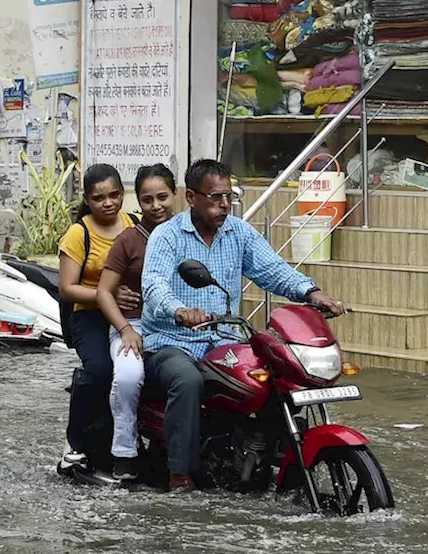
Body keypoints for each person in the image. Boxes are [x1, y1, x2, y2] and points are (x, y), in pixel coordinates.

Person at [141, 159, 347, 493]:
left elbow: (273, 270)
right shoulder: (167, 236)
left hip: (224, 339)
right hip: (171, 340)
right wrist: (179, 310)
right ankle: (180, 474)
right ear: (191, 197)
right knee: (187, 380)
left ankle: (268, 459)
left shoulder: (239, 232)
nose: (224, 205)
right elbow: (153, 285)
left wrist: (313, 293)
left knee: (275, 379)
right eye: (214, 197)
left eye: (228, 197)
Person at [92, 163, 178, 481]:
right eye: (147, 200)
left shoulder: (189, 233)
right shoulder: (129, 240)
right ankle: (124, 453)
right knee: (127, 376)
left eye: (162, 197)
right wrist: (125, 329)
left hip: (180, 328)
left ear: (176, 194)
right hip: (135, 326)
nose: (156, 206)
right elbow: (103, 292)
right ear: (137, 202)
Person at [56, 164, 137, 474]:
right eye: (99, 197)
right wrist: (108, 295)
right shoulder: (79, 234)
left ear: (123, 194)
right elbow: (67, 289)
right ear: (88, 200)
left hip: (129, 315)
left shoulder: (134, 225)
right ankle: (73, 444)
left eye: (114, 195)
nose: (108, 203)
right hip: (88, 315)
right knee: (100, 371)